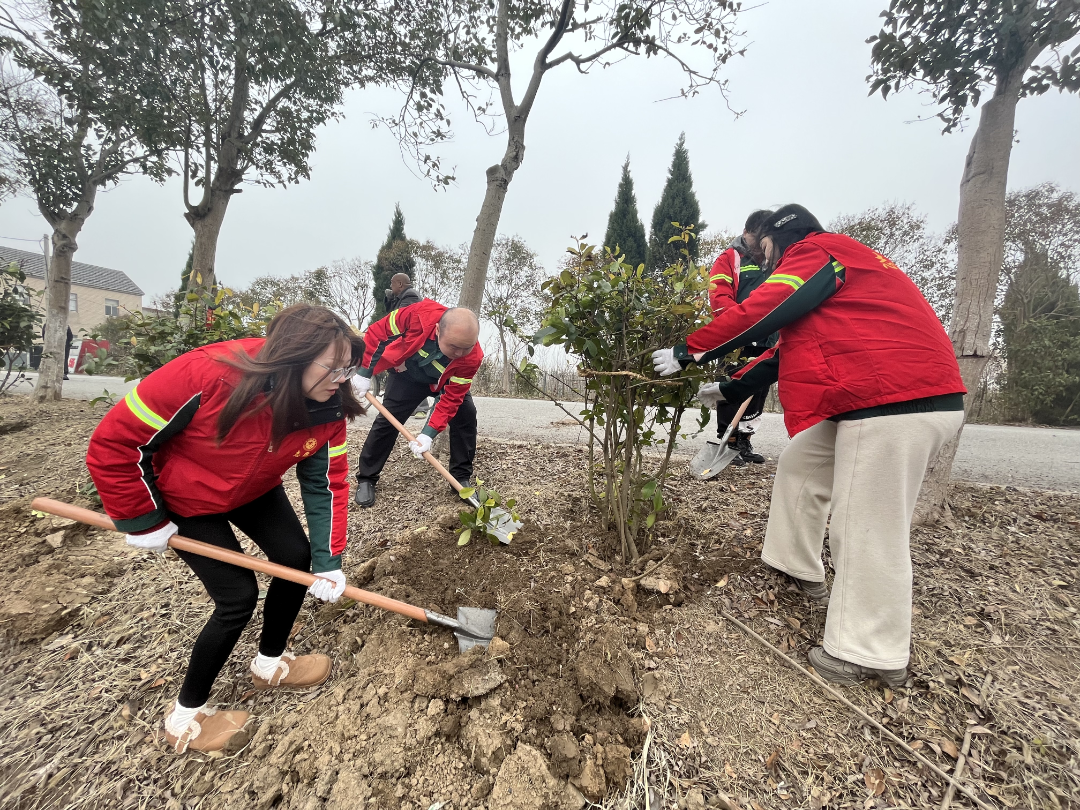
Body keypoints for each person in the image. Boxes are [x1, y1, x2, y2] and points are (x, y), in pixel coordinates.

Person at [652, 204, 966, 687]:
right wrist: (729, 387)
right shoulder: (841, 273)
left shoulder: (820, 252)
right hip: (871, 398)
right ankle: (795, 566)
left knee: (866, 524)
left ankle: (870, 651)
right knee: (801, 465)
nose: (765, 260)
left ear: (780, 239)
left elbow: (763, 308)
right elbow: (784, 352)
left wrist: (691, 349)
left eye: (765, 250)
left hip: (894, 401)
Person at [86, 304, 365, 753]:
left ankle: (270, 664)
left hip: (254, 488)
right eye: (333, 368)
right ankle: (185, 717)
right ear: (292, 358)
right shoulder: (206, 374)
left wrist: (328, 560)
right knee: (237, 597)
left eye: (348, 368)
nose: (341, 379)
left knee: (296, 558)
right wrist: (144, 519)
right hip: (189, 498)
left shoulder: (329, 406)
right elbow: (115, 442)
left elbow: (326, 484)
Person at [352, 301, 481, 508]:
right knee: (388, 420)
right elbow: (378, 333)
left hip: (444, 382)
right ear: (437, 330)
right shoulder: (416, 316)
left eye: (466, 348)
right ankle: (367, 478)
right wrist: (364, 372)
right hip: (408, 375)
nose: (459, 353)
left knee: (466, 415)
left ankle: (460, 479)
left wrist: (428, 434)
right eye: (453, 346)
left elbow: (451, 399)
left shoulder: (472, 357)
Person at [698, 209, 775, 465]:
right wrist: (743, 325)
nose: (760, 246)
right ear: (745, 233)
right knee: (731, 388)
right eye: (756, 239)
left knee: (758, 391)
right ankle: (727, 440)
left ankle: (744, 440)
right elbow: (719, 296)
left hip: (767, 339)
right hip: (736, 339)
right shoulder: (730, 258)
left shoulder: (776, 260)